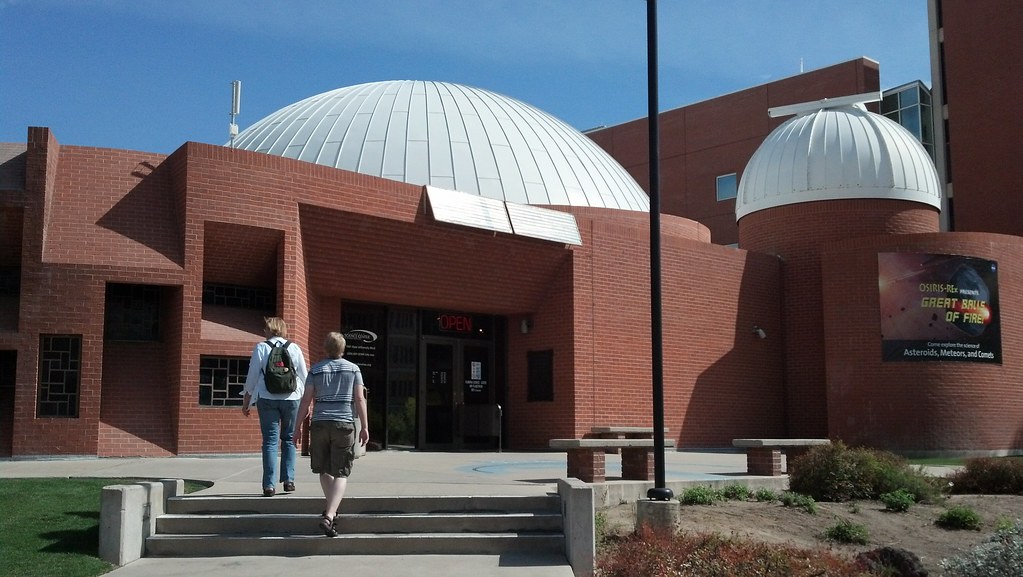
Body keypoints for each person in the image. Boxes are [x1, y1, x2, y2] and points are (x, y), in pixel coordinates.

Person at [297, 331, 369, 537]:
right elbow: (359, 399)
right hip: (344, 423)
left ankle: (331, 510)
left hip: (319, 423)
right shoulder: (354, 369)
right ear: (343, 348)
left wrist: (296, 428)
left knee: (323, 470)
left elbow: (306, 400)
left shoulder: (316, 370)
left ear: (325, 348)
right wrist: (364, 426)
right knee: (342, 472)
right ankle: (330, 514)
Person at [242, 316, 308, 497]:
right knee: (288, 439)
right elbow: (304, 375)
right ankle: (289, 480)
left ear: (270, 330)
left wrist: (246, 399)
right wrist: (306, 401)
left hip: (266, 397)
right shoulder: (294, 348)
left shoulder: (261, 348)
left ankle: (269, 485)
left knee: (270, 441)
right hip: (292, 398)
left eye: (265, 328)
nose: (263, 331)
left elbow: (252, 376)